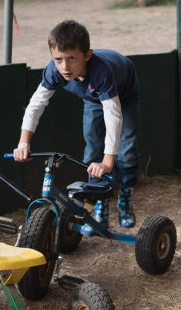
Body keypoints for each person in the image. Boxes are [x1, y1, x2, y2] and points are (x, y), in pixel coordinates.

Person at [13, 19, 140, 233]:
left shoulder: (101, 71)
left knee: (125, 152)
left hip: (123, 95)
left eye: (72, 58)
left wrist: (109, 161)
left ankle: (125, 197)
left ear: (87, 55)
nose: (65, 66)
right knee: (92, 150)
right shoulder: (54, 71)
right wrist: (23, 143)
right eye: (58, 59)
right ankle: (100, 203)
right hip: (92, 98)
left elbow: (113, 114)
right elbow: (36, 105)